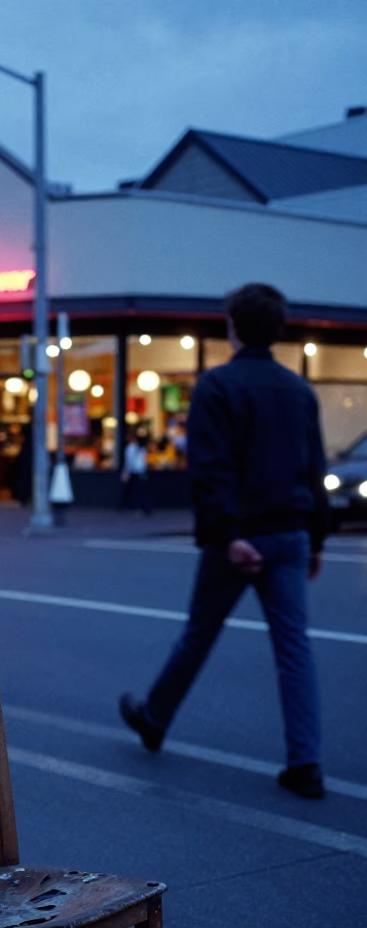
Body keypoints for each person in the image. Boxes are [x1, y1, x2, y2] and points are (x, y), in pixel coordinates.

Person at [119, 283, 330, 799]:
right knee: (293, 649)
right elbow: (315, 468)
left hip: (238, 537)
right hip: (290, 533)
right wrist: (316, 539)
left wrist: (229, 535)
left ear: (233, 325)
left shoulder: (218, 386)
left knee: (199, 634)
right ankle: (305, 764)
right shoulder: (299, 390)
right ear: (277, 328)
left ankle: (155, 718)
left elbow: (211, 472)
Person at [122, 427, 152, 514]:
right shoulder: (140, 448)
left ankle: (140, 507)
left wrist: (126, 471)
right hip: (140, 471)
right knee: (140, 491)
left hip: (136, 471)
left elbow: (129, 461)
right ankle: (142, 507)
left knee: (138, 491)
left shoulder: (131, 448)